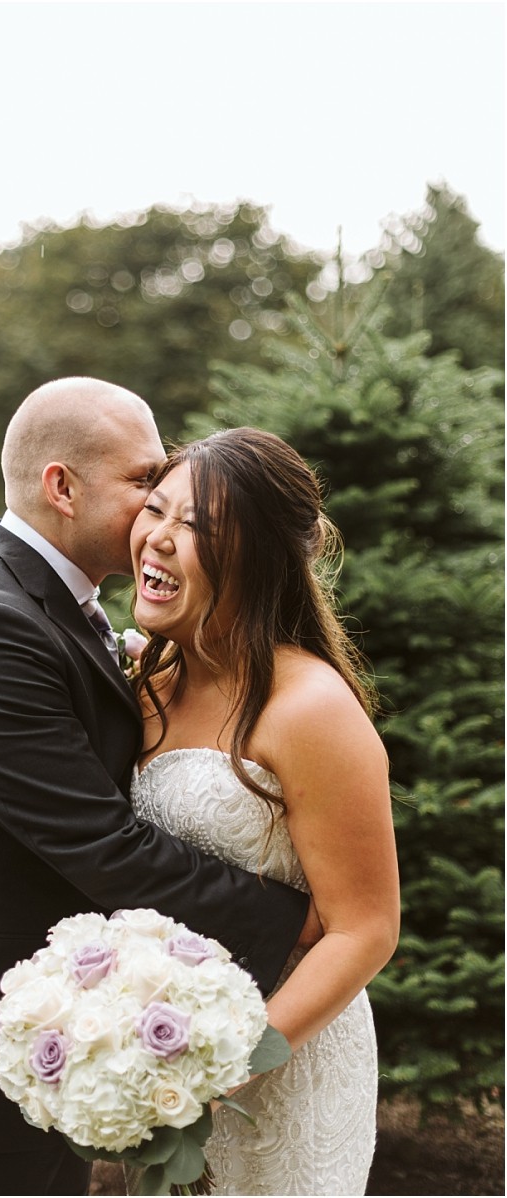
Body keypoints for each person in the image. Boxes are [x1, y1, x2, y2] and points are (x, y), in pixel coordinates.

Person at [0, 379, 315, 1197]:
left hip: (45, 1030)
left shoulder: (56, 609)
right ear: (62, 486)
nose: (156, 511)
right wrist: (298, 919)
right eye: (144, 483)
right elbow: (105, 846)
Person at [126, 426, 400, 1196]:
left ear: (261, 557)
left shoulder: (311, 709)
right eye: (157, 510)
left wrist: (229, 1067)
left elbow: (365, 928)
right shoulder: (142, 680)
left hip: (283, 1063)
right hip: (153, 1052)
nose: (161, 540)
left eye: (199, 528)